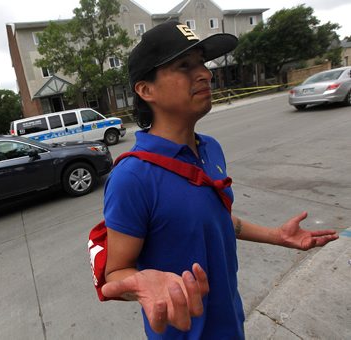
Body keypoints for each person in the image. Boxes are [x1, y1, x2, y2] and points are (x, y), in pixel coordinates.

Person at [101, 21, 339, 339]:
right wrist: (143, 285)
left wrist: (277, 236)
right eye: (185, 65)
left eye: (202, 62)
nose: (205, 73)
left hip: (231, 323)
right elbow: (115, 273)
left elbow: (215, 218)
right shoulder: (131, 178)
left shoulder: (210, 148)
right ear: (146, 90)